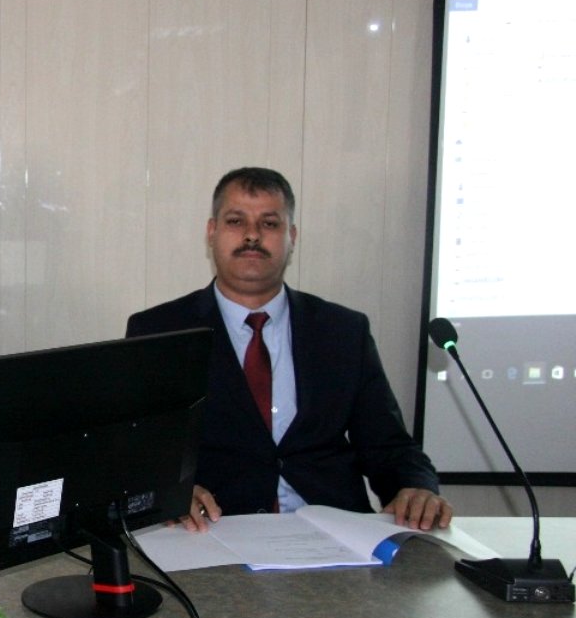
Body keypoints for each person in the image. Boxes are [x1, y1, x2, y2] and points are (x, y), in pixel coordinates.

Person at [126, 167, 451, 532]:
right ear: (212, 232)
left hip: (331, 534)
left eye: (269, 223)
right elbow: (134, 451)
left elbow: (389, 446)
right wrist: (168, 490)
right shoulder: (159, 332)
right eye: (236, 221)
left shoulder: (343, 331)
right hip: (213, 532)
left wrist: (416, 487)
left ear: (291, 236)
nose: (252, 235)